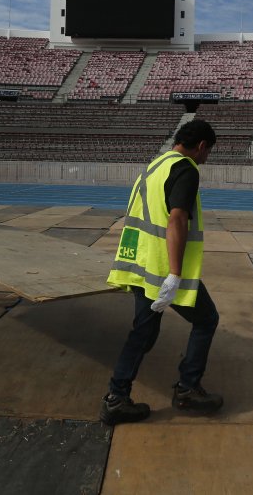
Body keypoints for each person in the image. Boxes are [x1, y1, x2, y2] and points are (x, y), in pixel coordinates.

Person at [100, 118, 223, 425]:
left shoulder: (155, 165)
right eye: (208, 153)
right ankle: (187, 389)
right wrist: (175, 274)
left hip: (142, 265)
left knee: (143, 331)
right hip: (164, 270)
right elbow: (177, 219)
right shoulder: (184, 168)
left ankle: (116, 397)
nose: (206, 160)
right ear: (202, 146)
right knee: (207, 320)